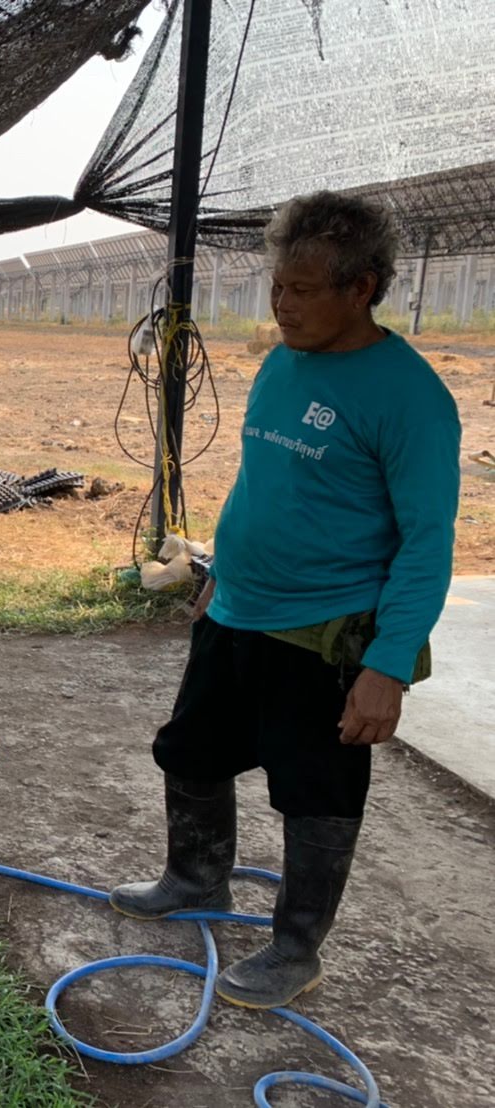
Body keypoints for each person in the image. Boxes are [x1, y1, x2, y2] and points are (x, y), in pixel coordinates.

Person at [109, 191, 462, 1009]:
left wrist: (387, 669)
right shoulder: (280, 362)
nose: (283, 303)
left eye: (304, 289)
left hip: (323, 633)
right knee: (190, 752)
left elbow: (426, 544)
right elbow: (262, 485)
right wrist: (219, 575)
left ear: (363, 286)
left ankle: (295, 950)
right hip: (236, 612)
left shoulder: (409, 398)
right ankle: (195, 881)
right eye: (279, 286)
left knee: (316, 794)